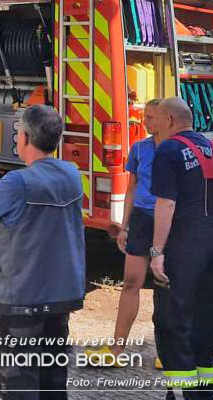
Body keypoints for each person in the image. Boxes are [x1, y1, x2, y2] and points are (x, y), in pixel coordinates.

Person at [0, 104, 85, 399]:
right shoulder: (72, 174)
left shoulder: (16, 182)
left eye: (18, 132)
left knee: (18, 381)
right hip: (60, 296)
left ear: (25, 139)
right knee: (53, 378)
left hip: (20, 299)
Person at [149, 97, 213, 400]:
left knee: (174, 320)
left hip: (184, 248)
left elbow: (167, 203)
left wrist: (157, 252)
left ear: (171, 121)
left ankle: (183, 392)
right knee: (207, 316)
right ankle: (208, 392)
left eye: (156, 119)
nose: (153, 126)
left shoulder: (169, 150)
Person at [85, 99, 165, 365]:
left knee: (166, 286)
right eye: (145, 117)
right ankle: (116, 351)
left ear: (166, 120)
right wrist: (125, 225)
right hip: (141, 220)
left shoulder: (175, 149)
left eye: (151, 118)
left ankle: (167, 352)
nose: (146, 122)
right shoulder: (140, 149)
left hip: (167, 221)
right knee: (131, 283)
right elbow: (131, 188)